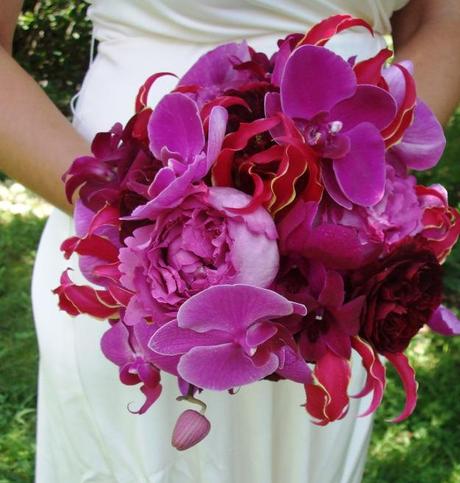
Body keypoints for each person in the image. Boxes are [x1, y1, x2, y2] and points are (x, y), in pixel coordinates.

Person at [1, 1, 460, 482]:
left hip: (343, 252)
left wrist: (361, 190)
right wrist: (131, 218)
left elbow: (442, 16)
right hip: (124, 236)